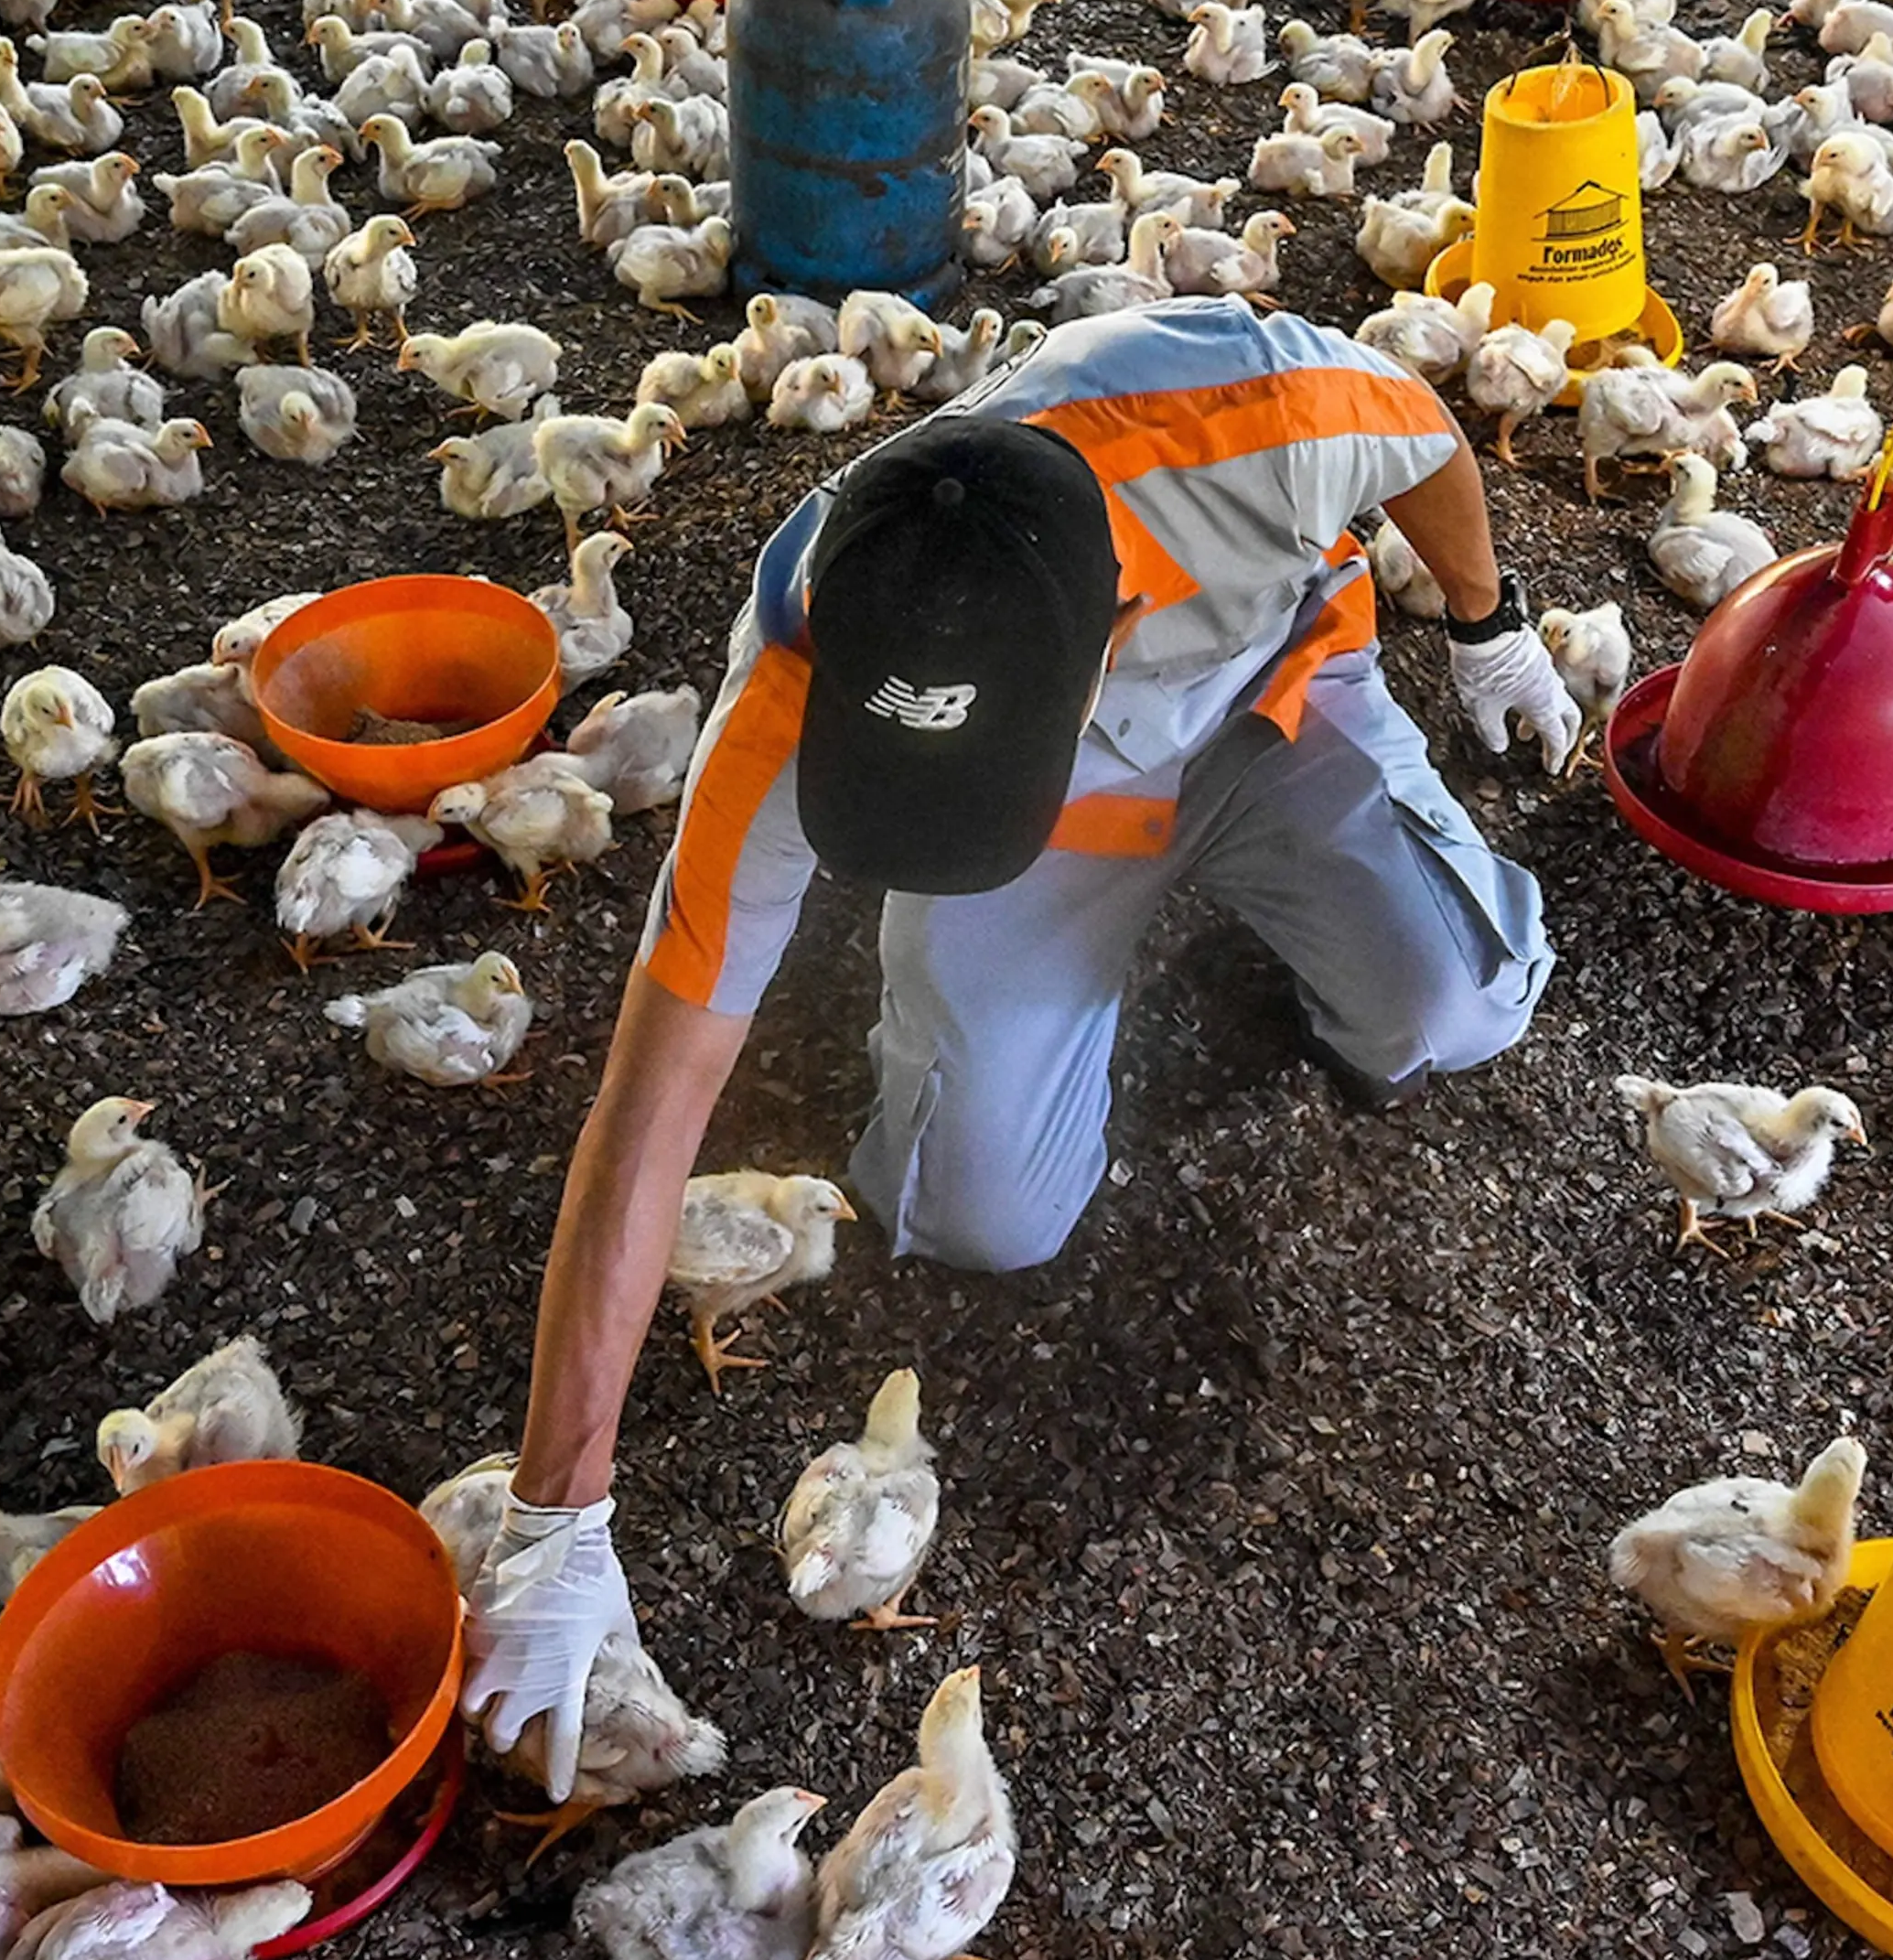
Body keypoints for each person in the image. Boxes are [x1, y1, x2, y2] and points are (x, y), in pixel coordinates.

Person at [460, 297, 1563, 1788]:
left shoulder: (1250, 419)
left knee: (1461, 1009)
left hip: (1270, 702)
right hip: (1054, 827)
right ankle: (1030, 923)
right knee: (976, 1215)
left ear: (1107, 626)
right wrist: (555, 1516)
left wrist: (1489, 636)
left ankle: (1299, 896)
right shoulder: (789, 684)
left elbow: (1431, 444)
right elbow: (651, 1105)